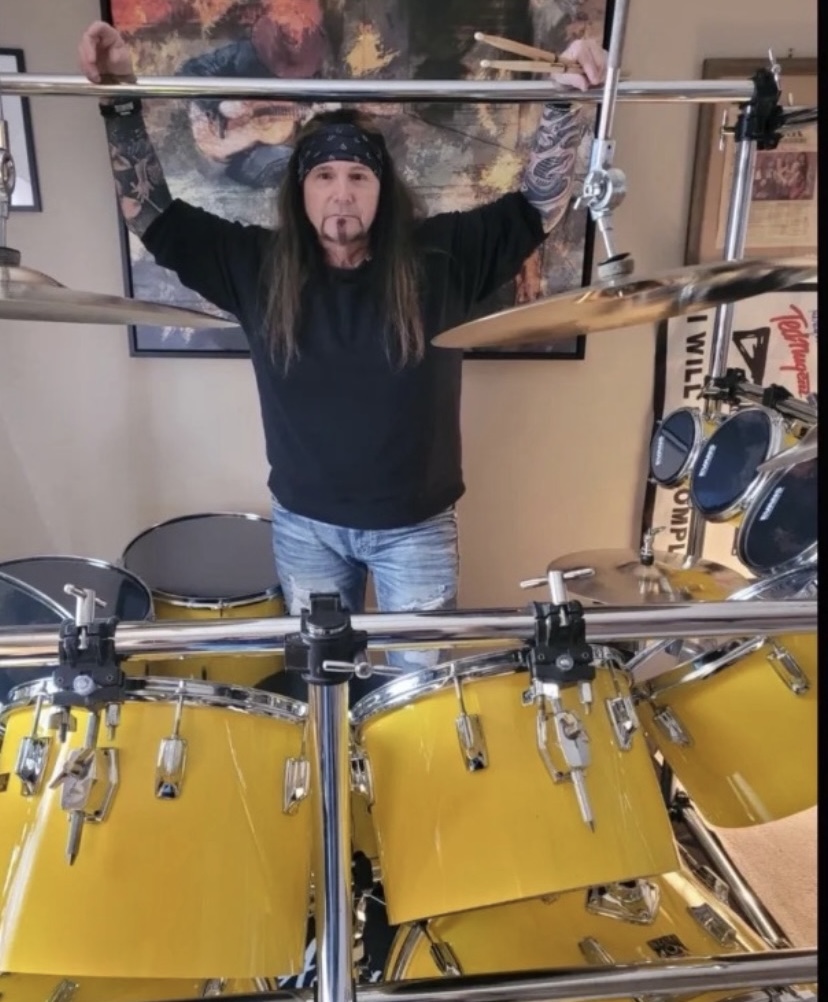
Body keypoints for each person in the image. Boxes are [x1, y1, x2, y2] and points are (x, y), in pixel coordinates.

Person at [78, 21, 607, 675]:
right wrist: (118, 101)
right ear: (300, 189)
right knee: (322, 691)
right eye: (324, 174)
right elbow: (152, 214)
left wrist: (567, 102)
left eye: (359, 175)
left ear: (383, 190)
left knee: (419, 698)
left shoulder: (441, 257)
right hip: (305, 529)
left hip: (416, 530)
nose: (341, 192)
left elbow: (537, 207)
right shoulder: (257, 265)